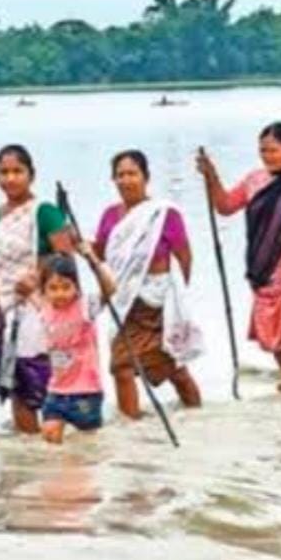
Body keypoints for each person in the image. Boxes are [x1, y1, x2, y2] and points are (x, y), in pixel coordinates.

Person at [197, 122, 281, 385]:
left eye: (274, 150)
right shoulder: (255, 180)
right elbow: (225, 206)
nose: (268, 156)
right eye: (263, 151)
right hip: (264, 273)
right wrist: (211, 177)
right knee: (276, 343)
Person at [93, 150, 203, 419]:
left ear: (146, 177)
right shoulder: (110, 216)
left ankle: (197, 415)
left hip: (158, 303)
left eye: (132, 174)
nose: (126, 180)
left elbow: (184, 256)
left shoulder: (164, 213)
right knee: (121, 367)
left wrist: (176, 299)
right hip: (124, 301)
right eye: (120, 175)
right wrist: (80, 247)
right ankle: (131, 425)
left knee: (173, 367)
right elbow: (101, 253)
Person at [0, 144, 74, 434]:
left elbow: (65, 257)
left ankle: (52, 457)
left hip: (40, 309)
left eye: (17, 171)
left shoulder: (44, 212)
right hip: (7, 310)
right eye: (4, 172)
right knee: (16, 383)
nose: (11, 178)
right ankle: (28, 446)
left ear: (31, 175)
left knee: (45, 377)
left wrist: (37, 277)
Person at [25, 250, 116, 444]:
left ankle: (83, 473)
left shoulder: (85, 307)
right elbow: (24, 287)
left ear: (77, 287)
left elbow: (109, 289)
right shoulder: (43, 306)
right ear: (45, 290)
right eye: (53, 288)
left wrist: (93, 260)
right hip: (56, 391)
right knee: (49, 436)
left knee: (88, 444)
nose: (60, 294)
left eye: (66, 287)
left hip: (86, 392)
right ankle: (59, 474)